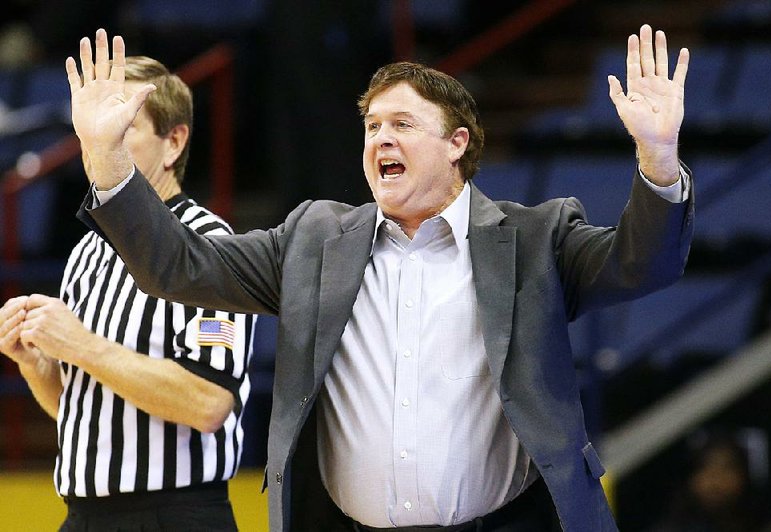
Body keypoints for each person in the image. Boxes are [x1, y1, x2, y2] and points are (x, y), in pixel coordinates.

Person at [66, 24, 693, 532]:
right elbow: (180, 265)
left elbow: (644, 264)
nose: (379, 139)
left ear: (457, 143)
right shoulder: (313, 240)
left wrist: (658, 159)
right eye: (371, 127)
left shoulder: (536, 238)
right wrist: (107, 160)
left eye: (401, 124)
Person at [0, 53, 257, 531]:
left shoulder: (211, 245)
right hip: (81, 515)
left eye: (119, 127)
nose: (98, 142)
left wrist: (80, 345)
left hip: (174, 515)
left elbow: (206, 403)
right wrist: (37, 366)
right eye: (90, 128)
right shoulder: (88, 252)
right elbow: (86, 408)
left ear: (173, 142)